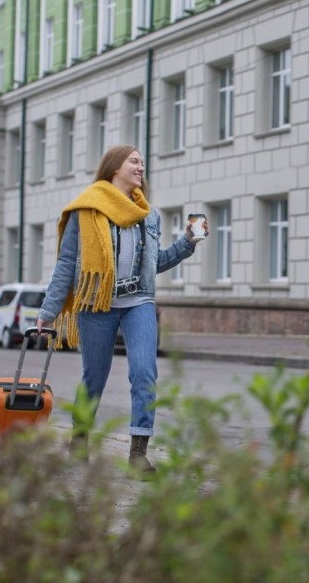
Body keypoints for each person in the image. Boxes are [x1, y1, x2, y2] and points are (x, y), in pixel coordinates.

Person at [36, 144, 207, 477]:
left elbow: (154, 263)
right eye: (134, 161)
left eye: (143, 162)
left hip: (138, 301)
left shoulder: (148, 214)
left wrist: (187, 243)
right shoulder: (87, 209)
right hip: (96, 303)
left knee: (145, 374)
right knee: (94, 378)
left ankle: (138, 453)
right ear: (115, 167)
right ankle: (80, 441)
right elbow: (68, 263)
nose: (141, 167)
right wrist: (48, 311)